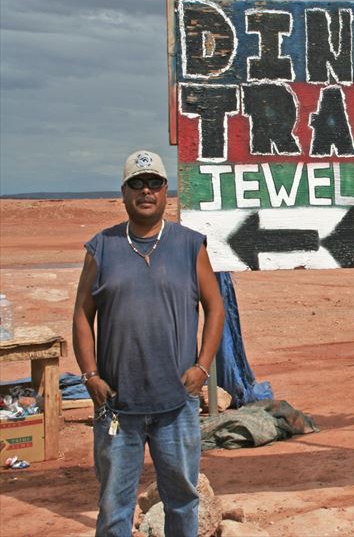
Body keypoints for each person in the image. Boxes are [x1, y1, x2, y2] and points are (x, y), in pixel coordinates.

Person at [72, 150, 224, 536]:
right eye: (136, 183)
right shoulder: (101, 248)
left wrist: (202, 366)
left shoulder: (190, 245)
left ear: (165, 191)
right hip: (117, 405)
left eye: (154, 183)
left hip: (176, 403)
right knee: (114, 506)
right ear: (123, 192)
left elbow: (215, 307)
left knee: (183, 500)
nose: (146, 191)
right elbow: (82, 316)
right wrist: (89, 375)